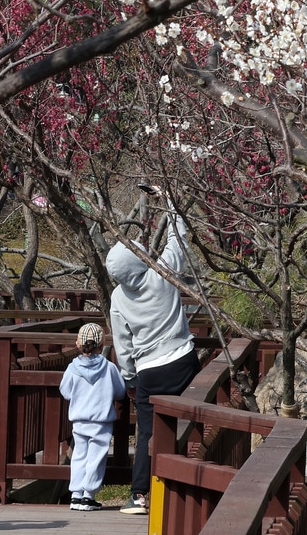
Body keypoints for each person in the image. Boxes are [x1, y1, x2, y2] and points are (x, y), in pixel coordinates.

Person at [107, 205, 196, 516]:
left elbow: (124, 345)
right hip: (183, 360)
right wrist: (169, 203)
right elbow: (179, 237)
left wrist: (129, 380)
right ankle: (189, 483)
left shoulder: (118, 297)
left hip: (148, 372)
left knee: (147, 431)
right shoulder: (162, 274)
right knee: (192, 420)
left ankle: (140, 495)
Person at [59, 323, 125, 511]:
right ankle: (89, 495)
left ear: (78, 344)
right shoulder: (109, 368)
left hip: (80, 420)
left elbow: (65, 391)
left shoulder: (73, 368)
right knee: (96, 457)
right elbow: (120, 391)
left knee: (79, 456)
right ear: (101, 344)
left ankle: (76, 495)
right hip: (101, 421)